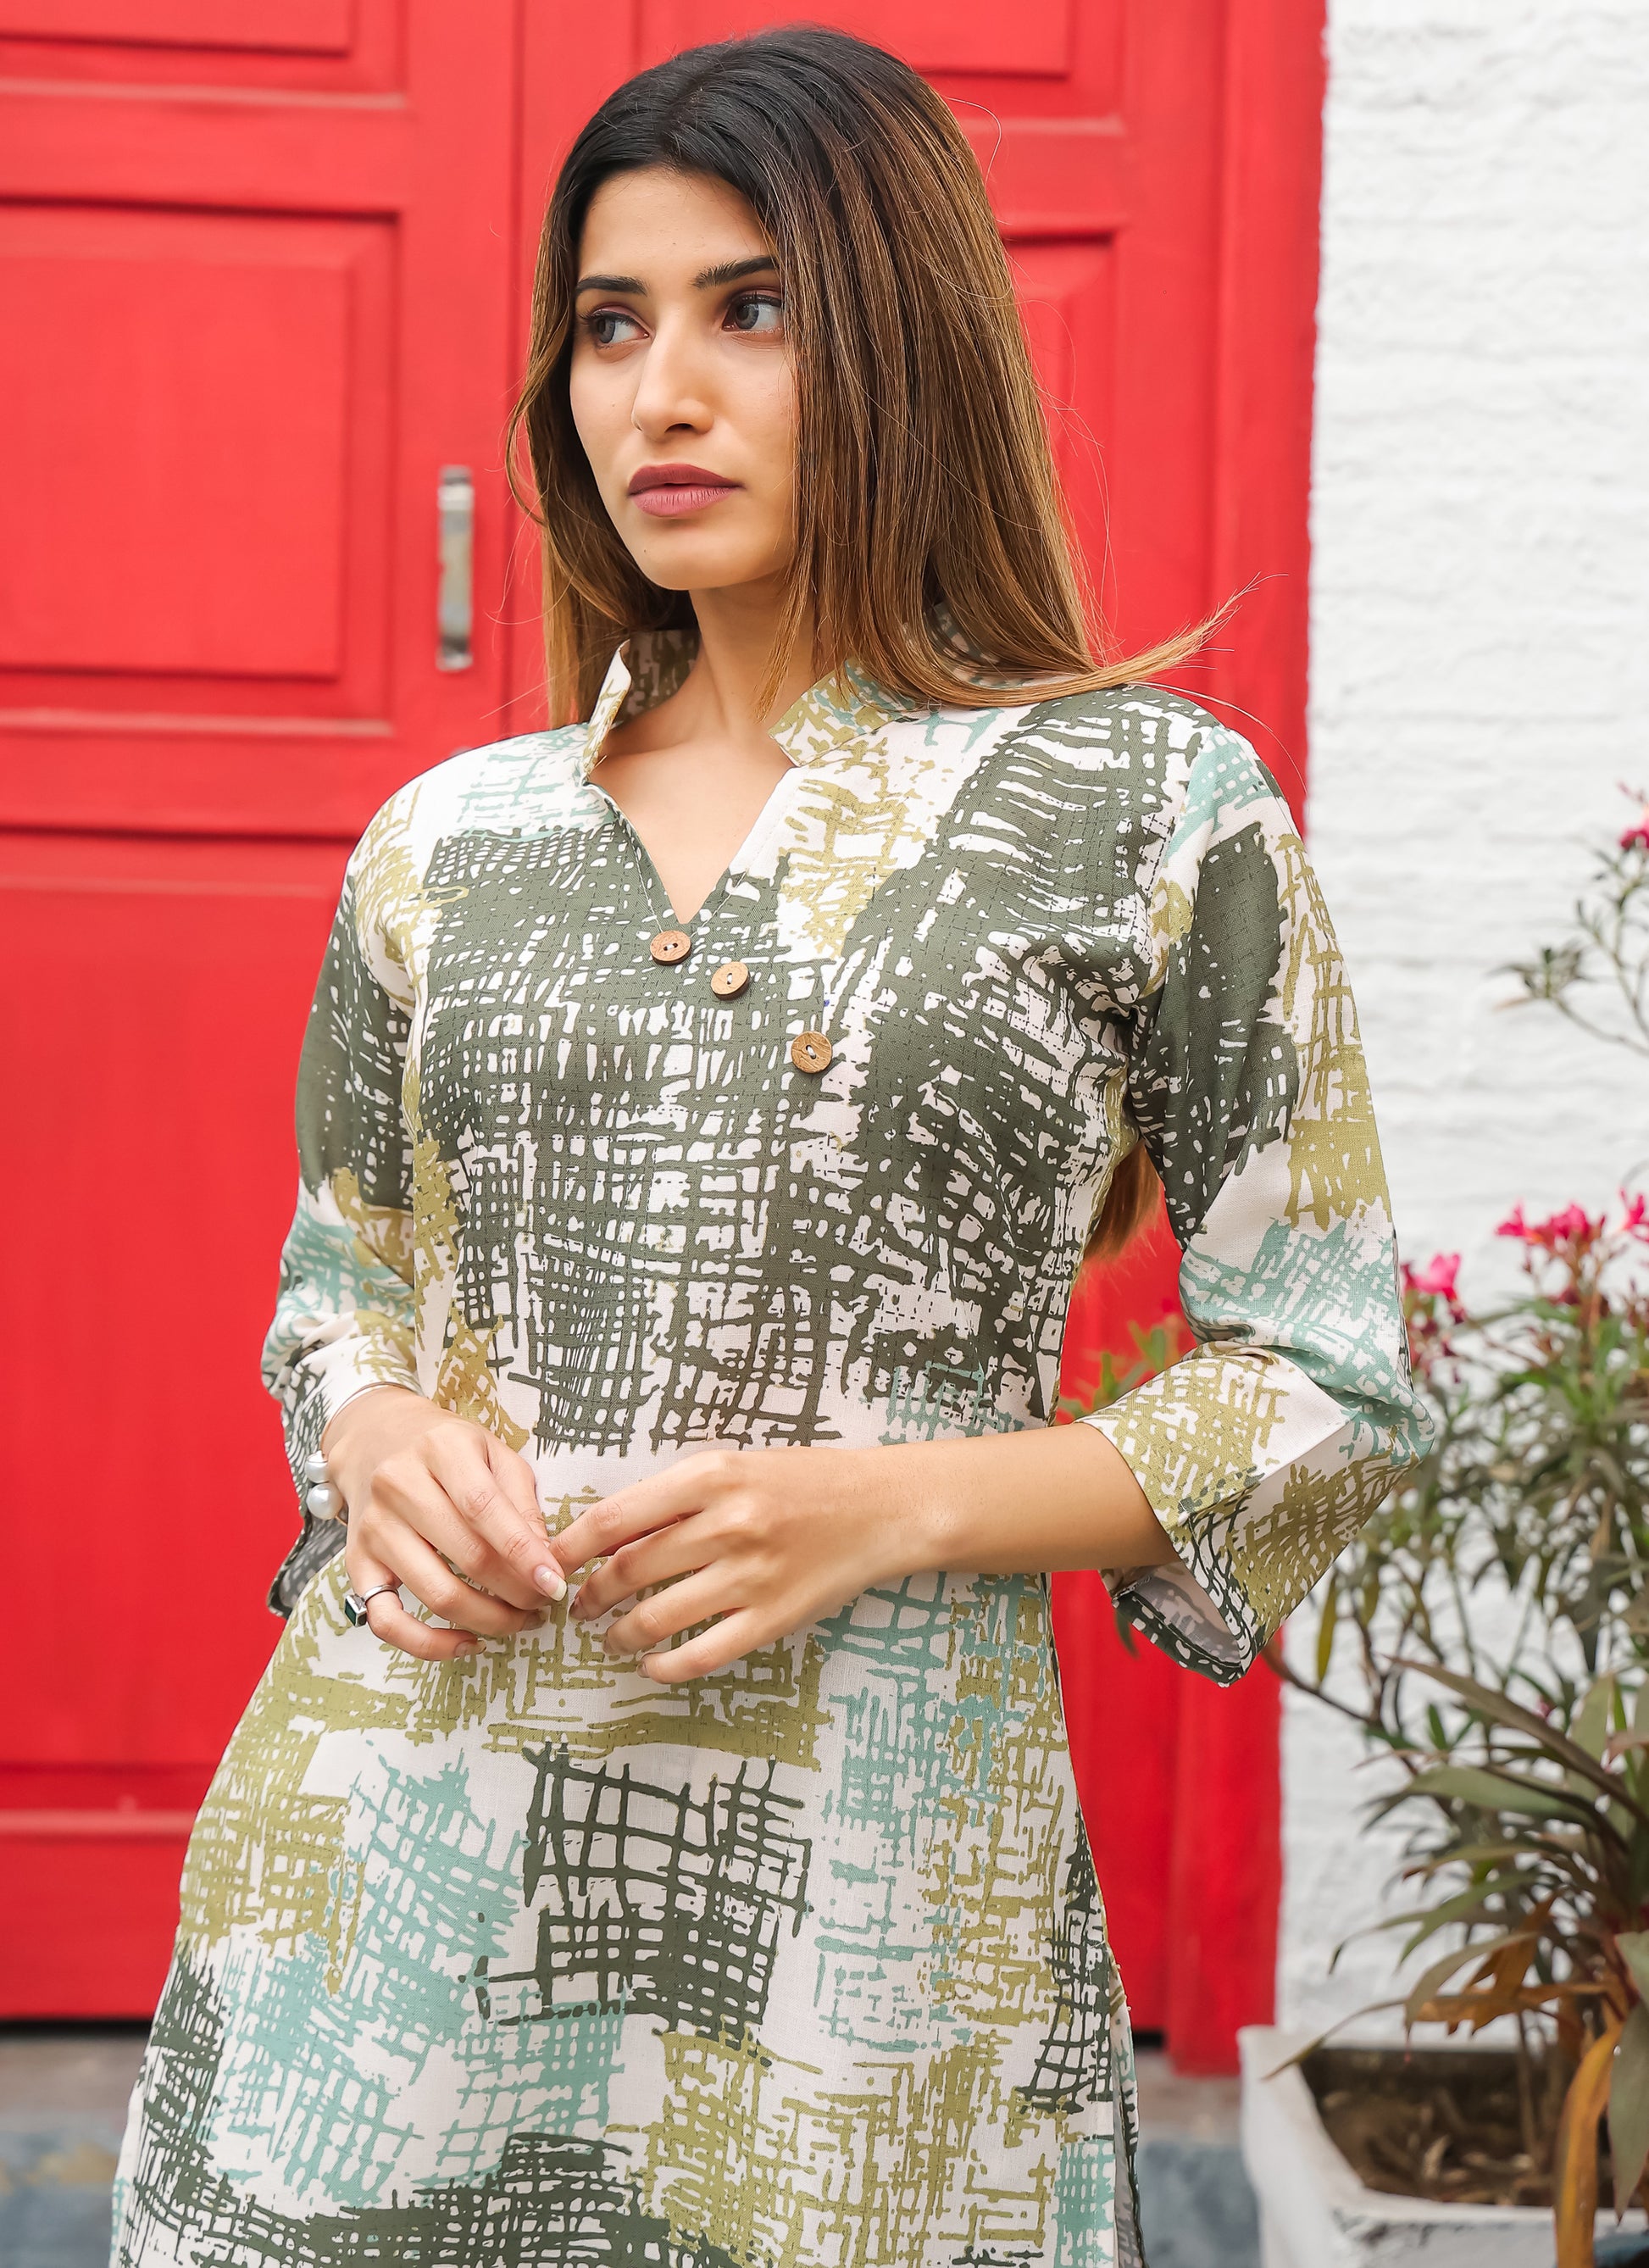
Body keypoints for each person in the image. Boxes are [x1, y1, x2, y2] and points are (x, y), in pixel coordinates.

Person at [111, 25, 1429, 2267]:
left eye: (750, 309)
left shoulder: (1141, 811)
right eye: (609, 325)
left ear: (901, 335)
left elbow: (1329, 1380)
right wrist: (378, 1429)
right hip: (386, 1874)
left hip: (867, 1925)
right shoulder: (448, 841)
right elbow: (339, 1285)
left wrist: (894, 1504)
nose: (661, 392)